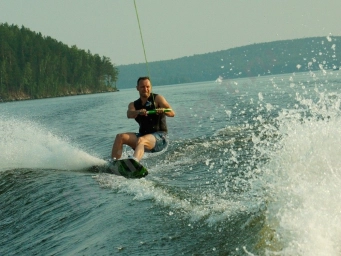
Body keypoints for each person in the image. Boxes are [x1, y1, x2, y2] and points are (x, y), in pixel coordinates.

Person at [111, 76, 175, 162]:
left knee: (141, 140)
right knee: (120, 137)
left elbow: (172, 113)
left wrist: (163, 110)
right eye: (142, 87)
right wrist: (138, 112)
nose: (145, 89)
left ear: (150, 87)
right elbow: (129, 114)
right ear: (137, 88)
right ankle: (113, 163)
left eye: (147, 87)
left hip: (160, 138)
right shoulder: (133, 104)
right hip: (143, 136)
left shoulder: (157, 98)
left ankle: (134, 162)